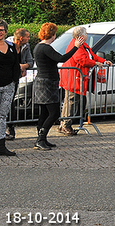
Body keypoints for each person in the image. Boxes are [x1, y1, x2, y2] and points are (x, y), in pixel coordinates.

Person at [32, 22, 84, 150]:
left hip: (43, 81)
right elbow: (62, 58)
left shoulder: (39, 46)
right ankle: (41, 139)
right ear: (52, 34)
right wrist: (76, 46)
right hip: (47, 83)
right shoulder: (46, 48)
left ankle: (42, 138)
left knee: (44, 113)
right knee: (54, 113)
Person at [58, 26, 112, 136]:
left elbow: (92, 56)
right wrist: (95, 63)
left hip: (77, 77)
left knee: (73, 100)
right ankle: (65, 125)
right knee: (71, 101)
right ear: (81, 36)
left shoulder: (83, 45)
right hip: (73, 77)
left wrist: (103, 61)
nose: (87, 35)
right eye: (86, 33)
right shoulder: (76, 45)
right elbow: (82, 60)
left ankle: (64, 124)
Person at [5, 28, 34, 141]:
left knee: (11, 103)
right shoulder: (7, 45)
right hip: (5, 78)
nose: (29, 38)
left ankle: (10, 128)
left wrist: (23, 66)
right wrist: (18, 66)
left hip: (15, 79)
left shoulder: (26, 46)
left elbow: (30, 62)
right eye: (27, 36)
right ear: (21, 38)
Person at [0, 20, 21, 156]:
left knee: (2, 116)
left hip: (8, 86)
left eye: (2, 29)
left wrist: (14, 80)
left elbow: (16, 64)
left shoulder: (12, 47)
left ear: (6, 31)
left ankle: (1, 145)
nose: (0, 32)